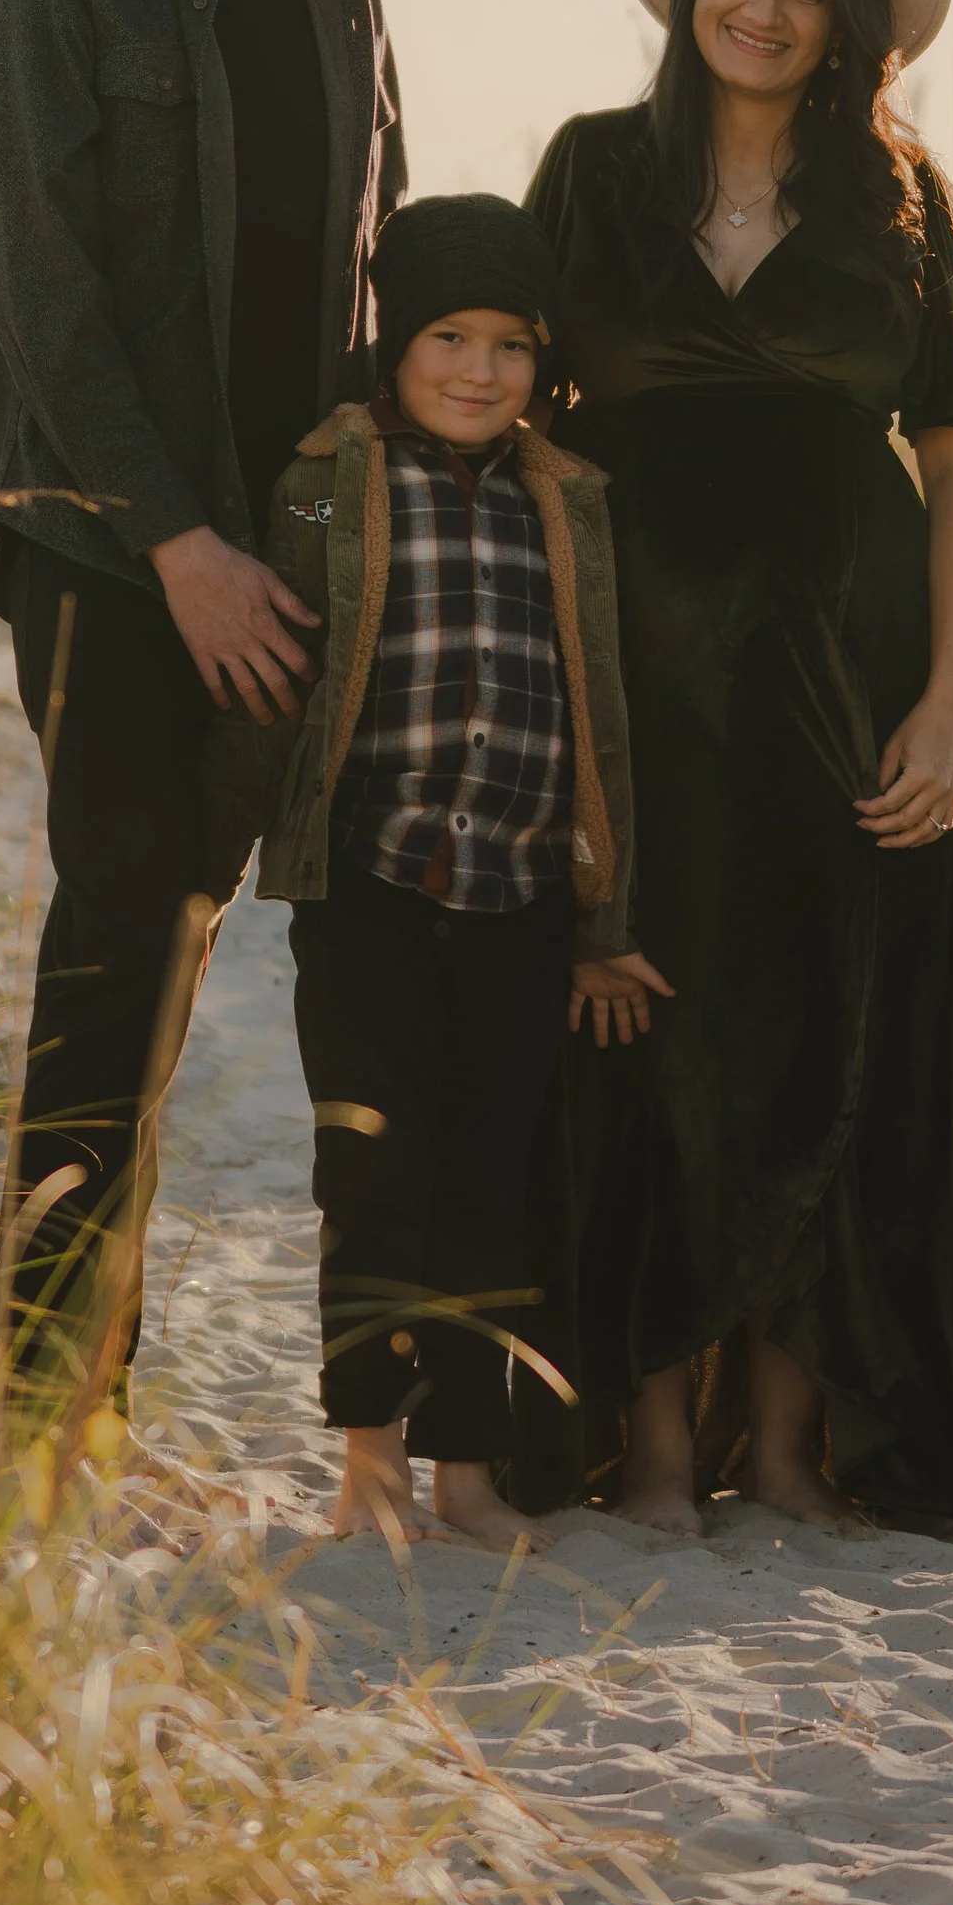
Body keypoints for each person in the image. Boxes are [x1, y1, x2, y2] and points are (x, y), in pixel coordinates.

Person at [524, 0, 953, 1533]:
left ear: (850, 27)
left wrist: (951, 698)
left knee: (838, 1034)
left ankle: (786, 1444)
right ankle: (661, 1445)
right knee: (660, 1040)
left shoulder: (906, 205)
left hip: (856, 679)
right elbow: (507, 409)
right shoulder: (592, 172)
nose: (764, 9)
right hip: (642, 685)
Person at [0, 0, 405, 1404]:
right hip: (113, 559)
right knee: (117, 970)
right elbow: (47, 300)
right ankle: (51, 1427)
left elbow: (374, 270)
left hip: (300, 564)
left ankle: (409, 1418)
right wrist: (183, 547)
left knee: (316, 956)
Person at [252, 195, 658, 1549]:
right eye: (448, 335)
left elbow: (600, 715)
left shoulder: (573, 496)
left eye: (510, 345)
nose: (479, 370)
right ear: (393, 339)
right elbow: (278, 651)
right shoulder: (326, 472)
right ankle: (369, 1460)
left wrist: (599, 918)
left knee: (493, 1184)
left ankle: (466, 1472)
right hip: (371, 886)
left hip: (521, 899)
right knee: (376, 1179)